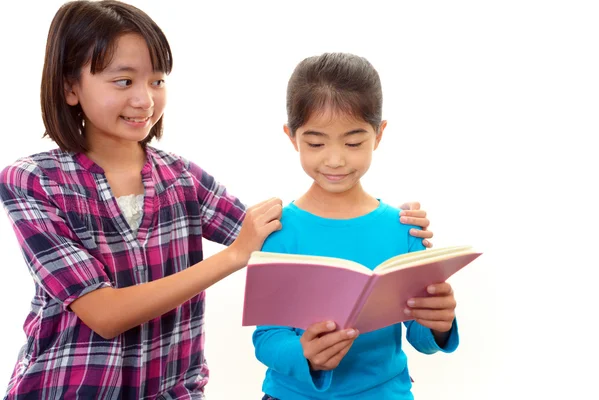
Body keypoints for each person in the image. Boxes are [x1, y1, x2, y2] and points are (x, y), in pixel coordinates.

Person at [0, 2, 434, 399]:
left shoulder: (182, 178)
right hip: (64, 389)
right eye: (124, 80)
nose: (145, 99)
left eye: (157, 80)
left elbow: (280, 238)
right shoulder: (32, 181)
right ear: (70, 86)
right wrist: (233, 257)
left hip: (173, 392)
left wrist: (390, 229)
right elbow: (104, 313)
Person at [253, 53, 458, 400]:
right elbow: (267, 337)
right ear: (292, 138)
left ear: (378, 135)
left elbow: (420, 338)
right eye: (316, 143)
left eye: (353, 142)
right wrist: (304, 353)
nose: (335, 159)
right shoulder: (279, 231)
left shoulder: (404, 228)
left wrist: (439, 324)